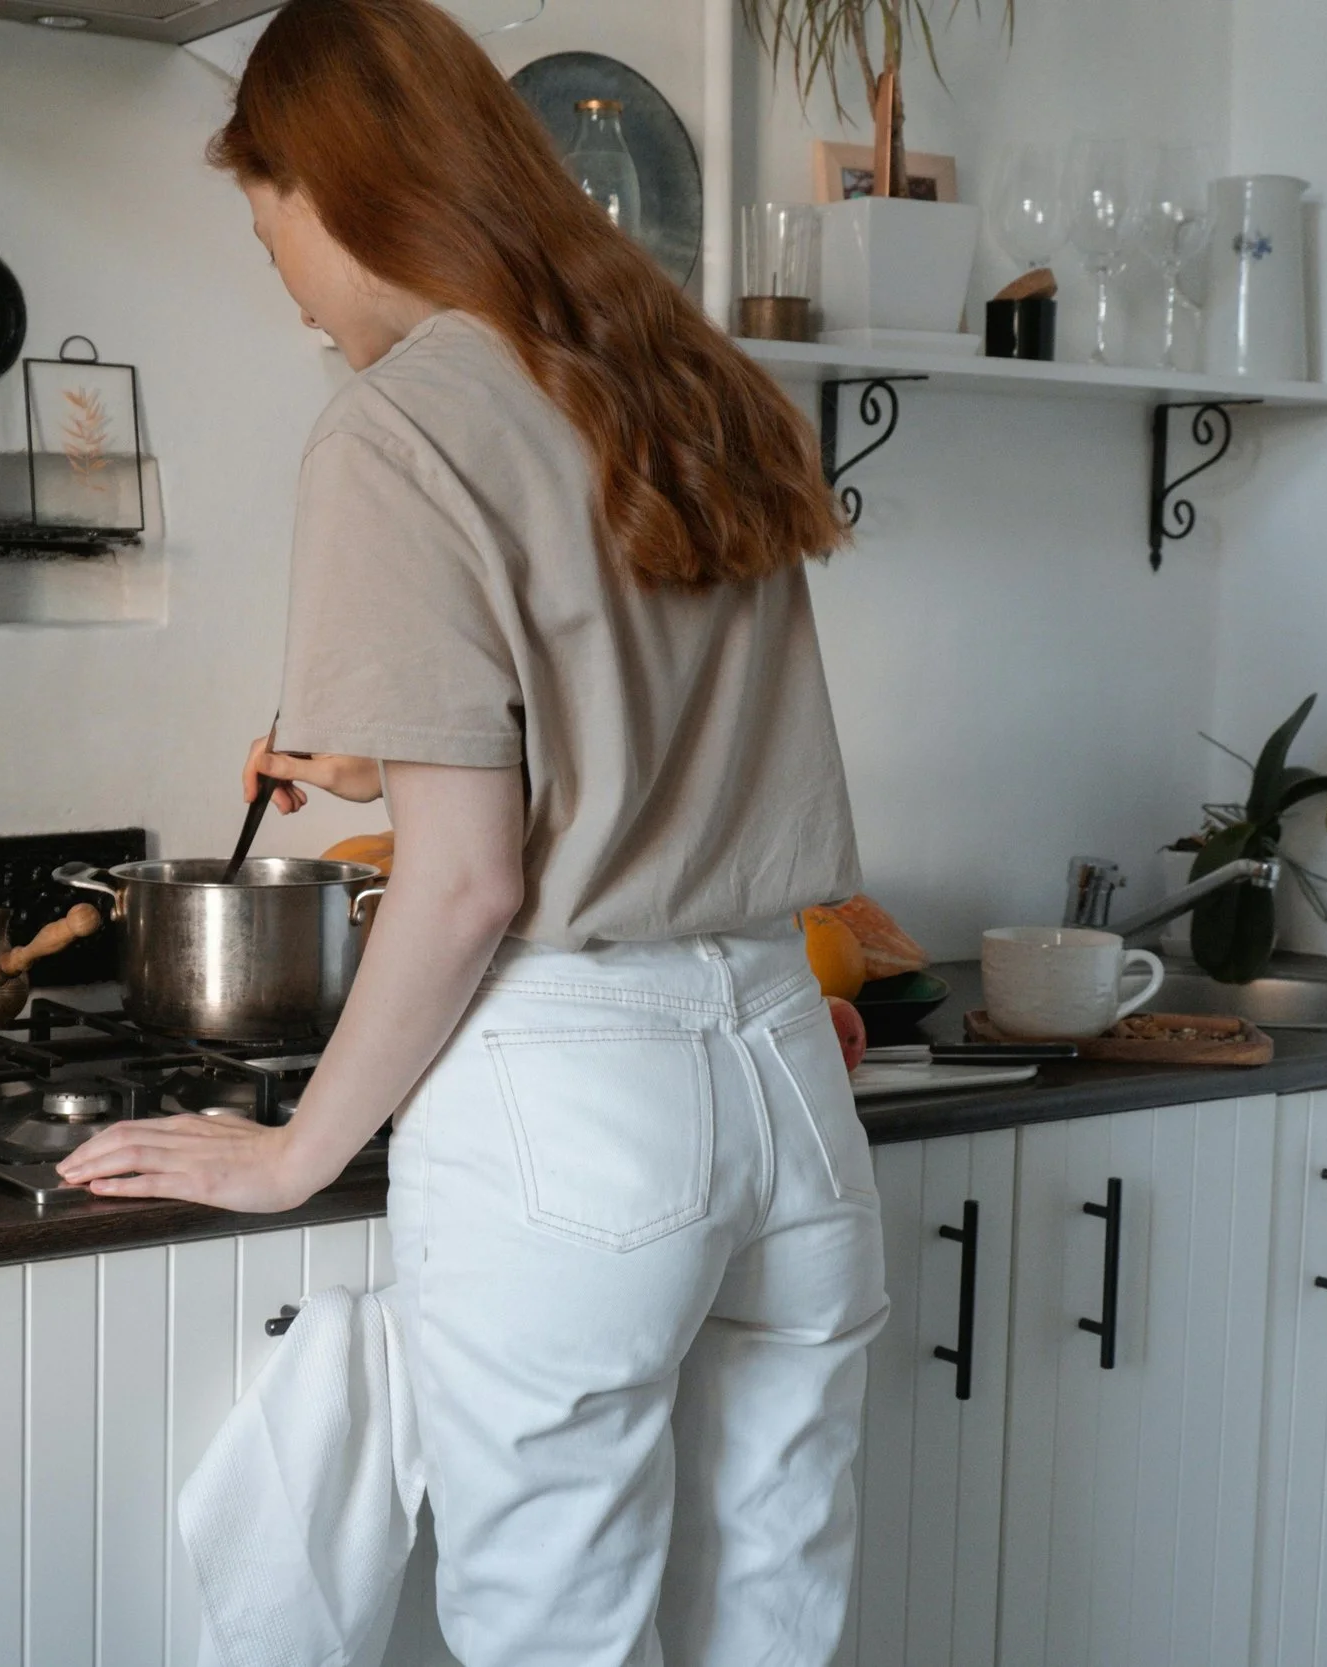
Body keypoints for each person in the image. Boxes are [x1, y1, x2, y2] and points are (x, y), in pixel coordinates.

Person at [57, 1, 889, 1659]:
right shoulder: (682, 374)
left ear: (330, 182)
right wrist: (387, 769)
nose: (277, 278)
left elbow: (467, 885)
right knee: (774, 1623)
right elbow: (625, 720)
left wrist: (297, 1153)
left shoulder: (396, 425)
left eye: (262, 221)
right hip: (787, 1072)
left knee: (554, 1637)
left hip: (573, 1100)